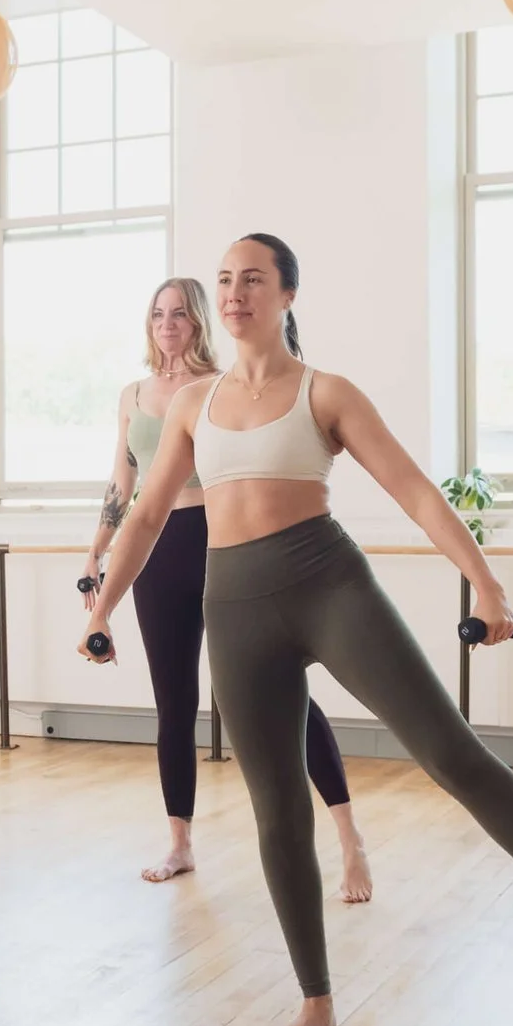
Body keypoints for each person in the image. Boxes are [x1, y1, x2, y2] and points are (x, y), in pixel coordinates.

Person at [81, 233, 513, 1026]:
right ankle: (316, 999)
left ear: (288, 293)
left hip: (330, 586)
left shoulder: (325, 392)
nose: (233, 292)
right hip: (239, 606)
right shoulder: (190, 405)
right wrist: (103, 605)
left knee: (452, 753)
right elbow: (146, 517)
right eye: (224, 279)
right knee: (278, 812)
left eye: (252, 278)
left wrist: (486, 581)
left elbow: (413, 490)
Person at [84, 276, 370, 897]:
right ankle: (180, 843)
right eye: (157, 313)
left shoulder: (221, 385)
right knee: (173, 703)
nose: (167, 324)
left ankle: (349, 837)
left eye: (179, 314)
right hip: (156, 556)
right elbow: (123, 483)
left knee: (283, 693)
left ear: (198, 322)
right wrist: (98, 553)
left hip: (221, 544)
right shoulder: (132, 395)